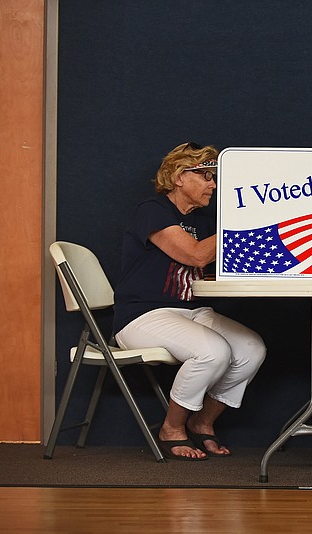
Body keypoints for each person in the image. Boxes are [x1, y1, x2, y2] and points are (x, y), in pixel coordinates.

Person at [113, 142, 266, 461]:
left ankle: (202, 422)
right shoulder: (152, 211)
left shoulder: (204, 222)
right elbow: (194, 254)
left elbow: (206, 270)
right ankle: (171, 428)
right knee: (213, 351)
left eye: (214, 177)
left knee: (252, 349)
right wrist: (240, 223)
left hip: (192, 311)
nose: (213, 184)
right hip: (143, 315)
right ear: (179, 177)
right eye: (206, 176)